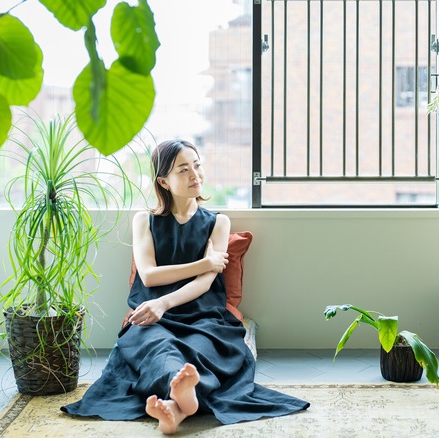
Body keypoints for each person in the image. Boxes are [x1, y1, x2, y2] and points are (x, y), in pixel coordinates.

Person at [62, 140, 309, 434]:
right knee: (161, 349)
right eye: (183, 169)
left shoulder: (218, 222)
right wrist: (204, 264)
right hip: (151, 317)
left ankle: (177, 409)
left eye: (197, 165)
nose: (196, 174)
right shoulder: (145, 220)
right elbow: (150, 276)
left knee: (200, 350)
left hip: (204, 316)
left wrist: (166, 301)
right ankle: (181, 399)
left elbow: (205, 286)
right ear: (163, 181)